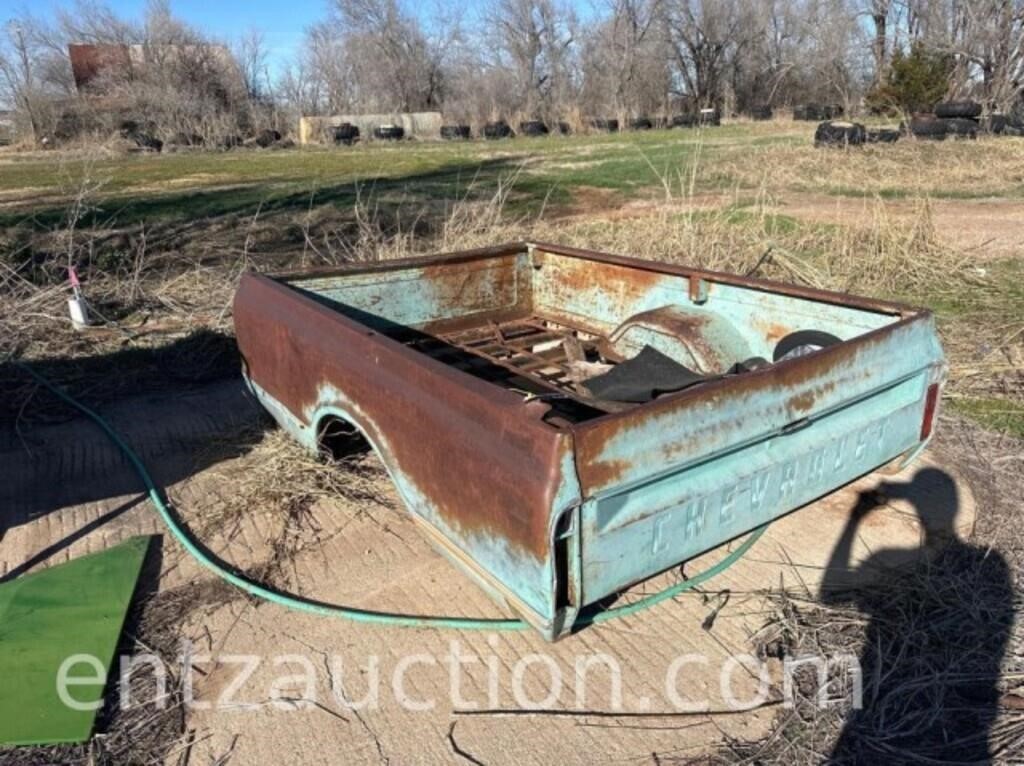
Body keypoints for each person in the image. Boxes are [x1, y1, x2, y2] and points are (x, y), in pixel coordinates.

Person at [821, 468, 1013, 763]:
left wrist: (855, 518)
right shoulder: (991, 565)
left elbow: (830, 595)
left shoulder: (888, 558)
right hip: (969, 733)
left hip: (884, 718)